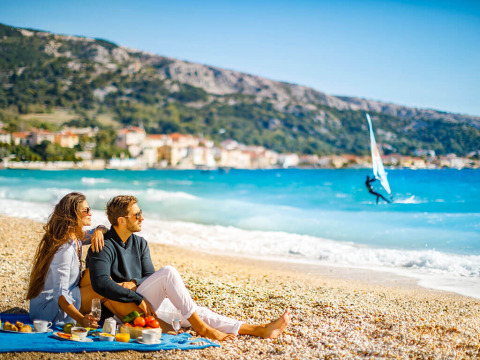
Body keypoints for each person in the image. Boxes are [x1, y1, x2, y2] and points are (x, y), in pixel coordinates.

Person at [86, 195, 291, 341]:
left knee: (194, 311)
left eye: (141, 213)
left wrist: (134, 284)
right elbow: (101, 284)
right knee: (169, 273)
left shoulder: (140, 243)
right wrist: (137, 297)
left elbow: (149, 276)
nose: (142, 218)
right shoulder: (102, 245)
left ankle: (260, 330)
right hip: (121, 313)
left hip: (143, 301)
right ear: (121, 220)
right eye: (137, 214)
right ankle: (203, 329)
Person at [27, 192, 108, 327]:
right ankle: (134, 321)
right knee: (104, 287)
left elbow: (104, 230)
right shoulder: (65, 248)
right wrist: (81, 319)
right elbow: (60, 293)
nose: (90, 213)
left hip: (65, 295)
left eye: (90, 209)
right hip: (49, 310)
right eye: (86, 210)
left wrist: (99, 230)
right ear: (73, 215)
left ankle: (129, 319)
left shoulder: (76, 237)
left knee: (95, 276)